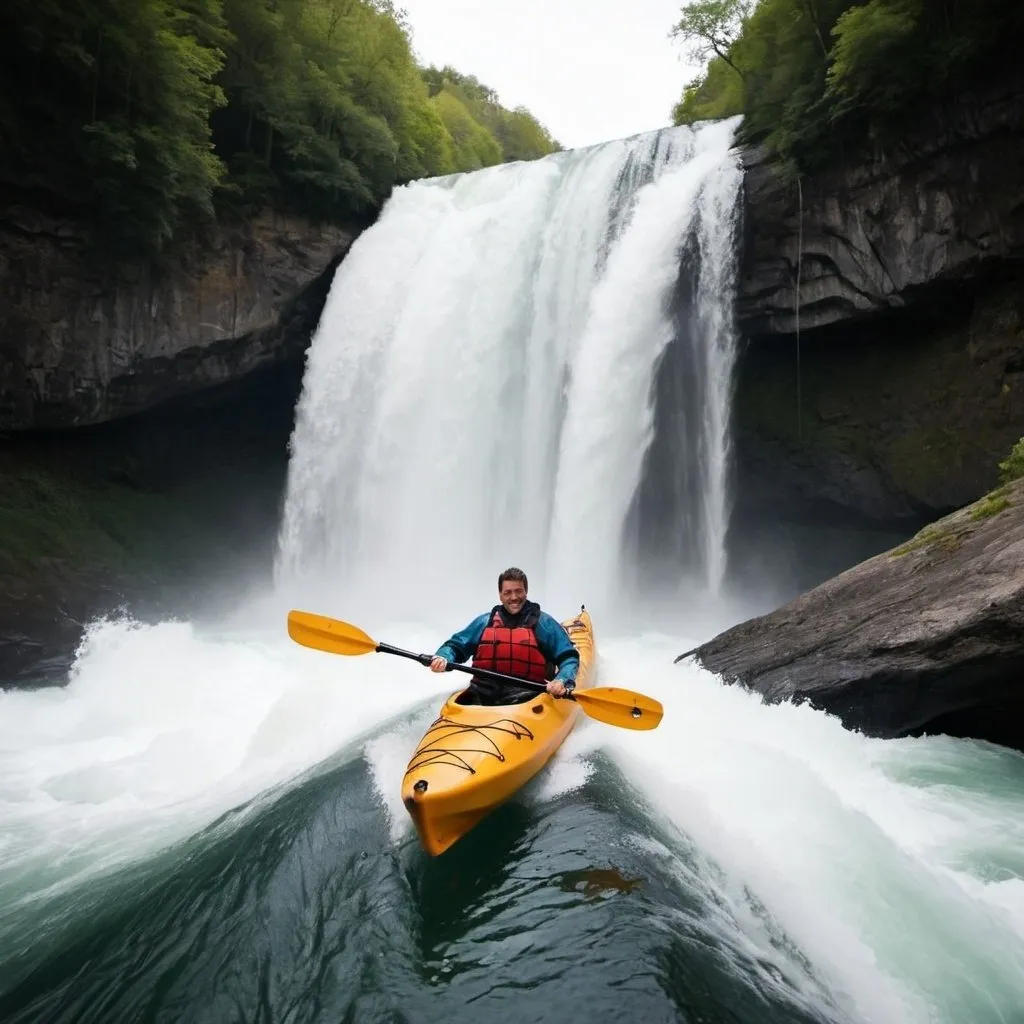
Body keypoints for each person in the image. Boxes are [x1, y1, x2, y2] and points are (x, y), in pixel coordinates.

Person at [430, 567, 580, 705]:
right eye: (507, 592)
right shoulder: (485, 622)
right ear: (500, 596)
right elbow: (456, 646)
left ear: (526, 592)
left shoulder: (544, 623)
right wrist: (444, 657)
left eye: (518, 591)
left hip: (527, 696)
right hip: (482, 693)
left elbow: (568, 657)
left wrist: (561, 680)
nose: (514, 597)